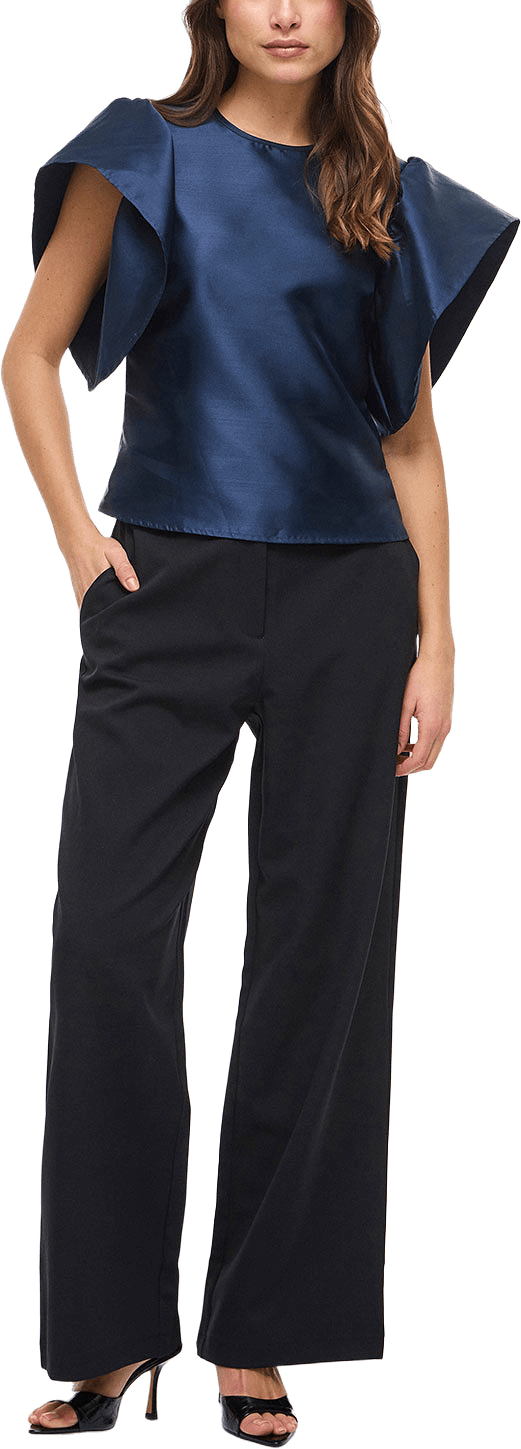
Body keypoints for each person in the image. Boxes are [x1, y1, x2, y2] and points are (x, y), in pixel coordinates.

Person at [2, 0, 519, 1441]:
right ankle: (110, 1336)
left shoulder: (385, 192)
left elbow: (409, 435)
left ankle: (262, 1336)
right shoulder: (141, 152)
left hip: (352, 598)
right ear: (212, 9)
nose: (283, 10)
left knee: (321, 952)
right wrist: (79, 547)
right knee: (108, 943)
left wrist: (440, 637)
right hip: (163, 581)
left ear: (353, 14)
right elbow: (28, 355)